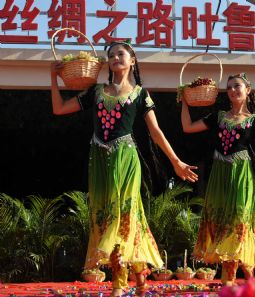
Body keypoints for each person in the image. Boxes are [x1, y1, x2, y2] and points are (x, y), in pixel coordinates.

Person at [50, 41, 198, 297]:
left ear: (132, 61)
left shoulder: (141, 94)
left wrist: (176, 162)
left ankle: (119, 284)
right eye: (111, 55)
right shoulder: (96, 92)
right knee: (112, 218)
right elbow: (59, 108)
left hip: (126, 160)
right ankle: (140, 275)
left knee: (122, 219)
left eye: (121, 54)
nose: (115, 57)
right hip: (99, 162)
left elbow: (156, 132)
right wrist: (53, 78)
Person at [181, 73, 255, 285]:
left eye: (237, 86)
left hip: (241, 175)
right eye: (230, 87)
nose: (233, 90)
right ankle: (244, 276)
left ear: (247, 90)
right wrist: (184, 102)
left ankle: (233, 277)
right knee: (224, 221)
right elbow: (187, 127)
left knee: (240, 221)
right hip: (220, 176)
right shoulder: (218, 116)